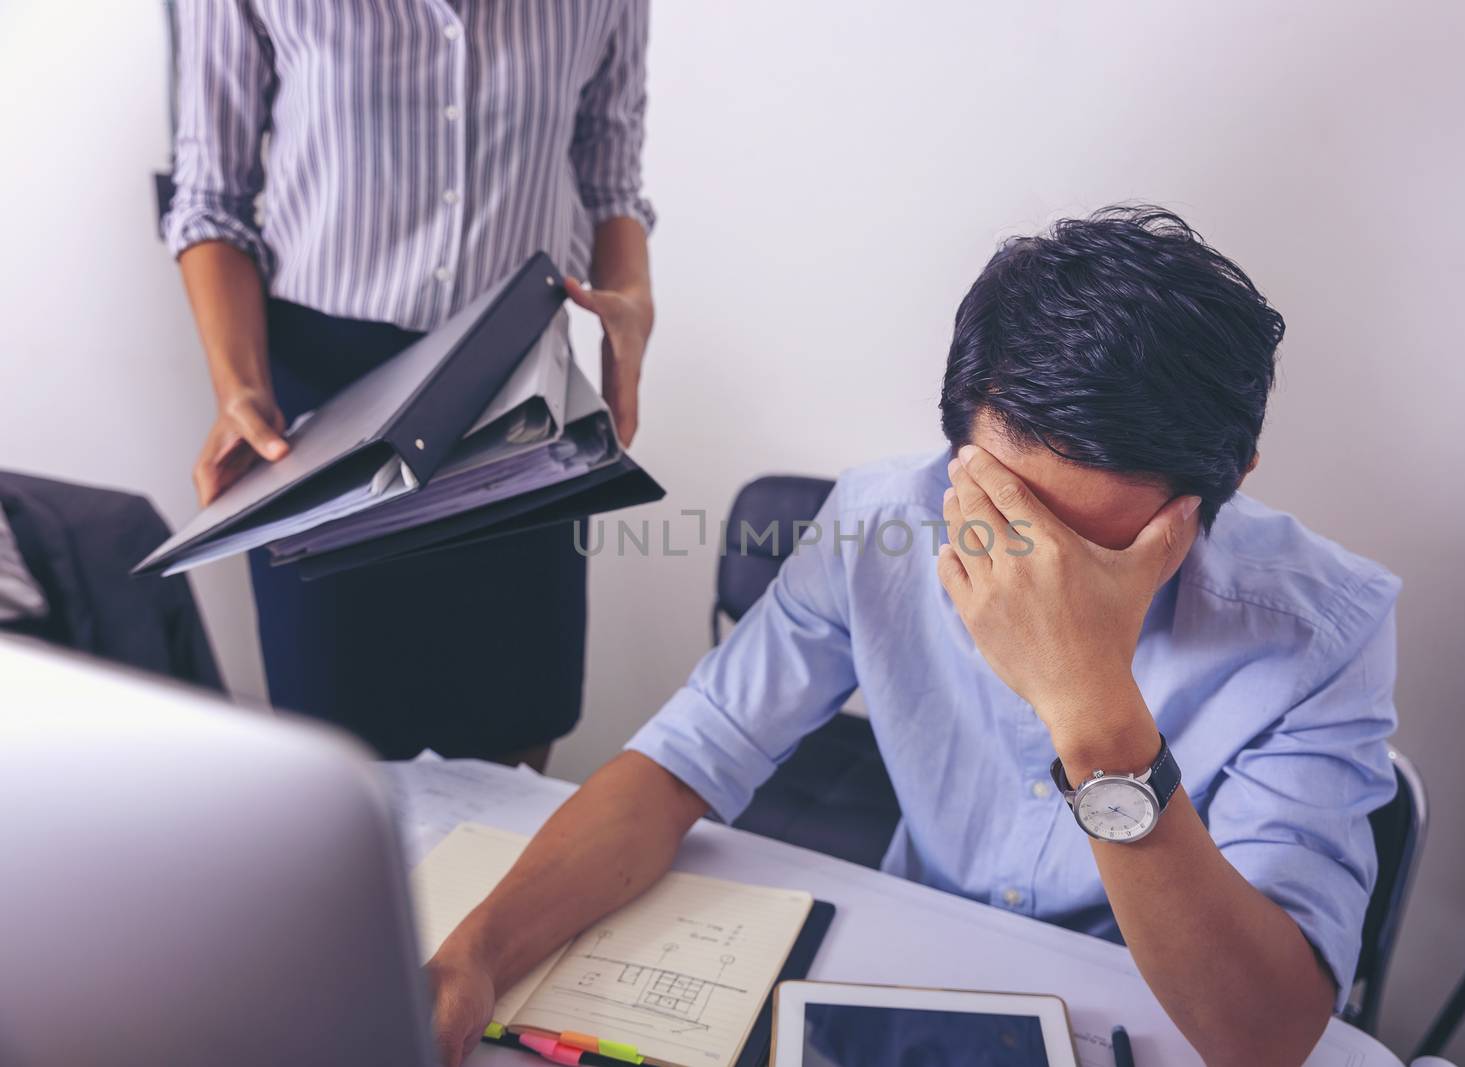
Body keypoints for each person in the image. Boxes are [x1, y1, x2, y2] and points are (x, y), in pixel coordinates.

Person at [426, 207, 1400, 1066]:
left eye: (1085, 540)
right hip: (910, 973)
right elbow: (686, 757)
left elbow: (1261, 1037)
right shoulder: (882, 516)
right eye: (998, 504)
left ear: (1214, 493)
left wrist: (1091, 708)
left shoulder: (1321, 632)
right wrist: (475, 954)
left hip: (1151, 1007)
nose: (1031, 568)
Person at [164, 1, 655, 763]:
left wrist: (631, 301)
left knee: (515, 742)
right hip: (324, 418)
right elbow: (211, 200)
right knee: (338, 760)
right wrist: (239, 386)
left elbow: (611, 178)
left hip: (518, 406)